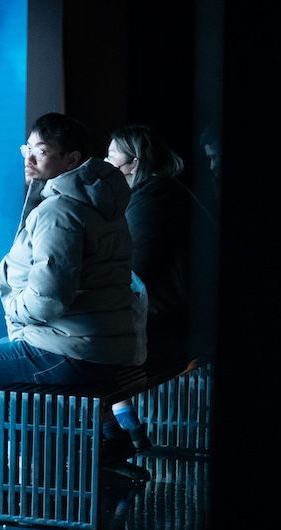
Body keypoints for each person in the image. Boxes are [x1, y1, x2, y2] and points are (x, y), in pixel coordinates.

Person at [0, 112, 143, 506]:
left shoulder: (60, 212)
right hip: (103, 344)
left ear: (71, 159)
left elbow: (48, 298)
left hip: (73, 350)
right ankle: (23, 463)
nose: (30, 159)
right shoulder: (102, 201)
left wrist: (14, 309)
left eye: (42, 151)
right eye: (27, 149)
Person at [105, 124, 218, 448]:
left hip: (175, 319)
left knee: (92, 344)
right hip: (183, 312)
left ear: (134, 163)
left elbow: (136, 269)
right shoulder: (157, 192)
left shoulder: (153, 197)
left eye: (112, 156)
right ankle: (124, 429)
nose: (105, 163)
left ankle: (118, 437)